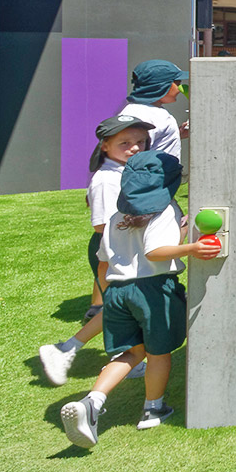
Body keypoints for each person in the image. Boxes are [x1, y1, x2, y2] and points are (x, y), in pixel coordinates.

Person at [59, 151, 217, 447]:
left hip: (119, 291)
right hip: (153, 290)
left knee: (131, 353)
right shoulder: (165, 210)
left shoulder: (116, 217)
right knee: (158, 353)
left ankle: (92, 402)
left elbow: (104, 258)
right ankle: (153, 408)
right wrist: (192, 248)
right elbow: (154, 252)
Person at [38, 116, 157, 388]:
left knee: (123, 307)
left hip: (121, 248)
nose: (135, 148)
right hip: (113, 249)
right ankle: (68, 349)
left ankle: (104, 354)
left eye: (140, 142)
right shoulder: (106, 179)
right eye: (125, 143)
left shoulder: (128, 171)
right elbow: (102, 225)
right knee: (124, 306)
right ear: (105, 146)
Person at [118, 60, 189, 160]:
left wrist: (177, 134)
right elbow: (130, 157)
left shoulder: (151, 110)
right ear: (161, 86)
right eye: (177, 84)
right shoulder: (142, 115)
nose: (180, 89)